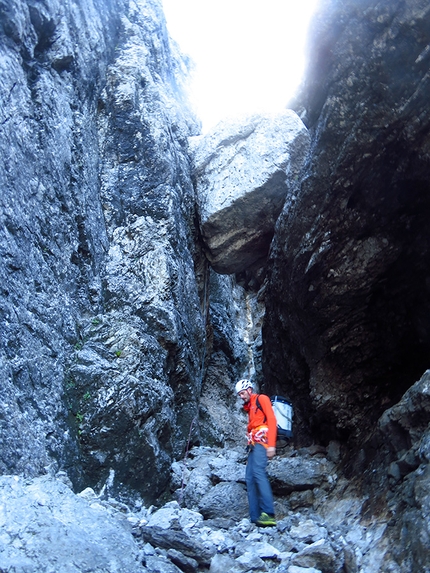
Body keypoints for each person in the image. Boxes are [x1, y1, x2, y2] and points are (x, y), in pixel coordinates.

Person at [236, 378, 277, 527]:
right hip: (254, 444)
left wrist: (271, 445)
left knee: (258, 472)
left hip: (263, 441)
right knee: (249, 477)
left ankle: (269, 513)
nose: (241, 396)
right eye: (239, 395)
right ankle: (255, 516)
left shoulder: (262, 399)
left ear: (249, 389)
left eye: (242, 393)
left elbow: (272, 420)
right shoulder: (250, 407)